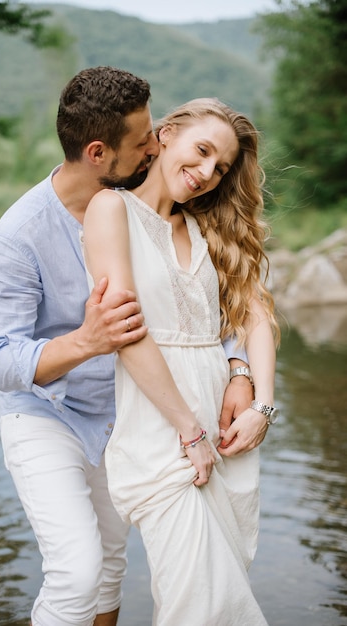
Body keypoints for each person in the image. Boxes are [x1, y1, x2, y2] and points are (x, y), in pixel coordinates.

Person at [0, 66, 254, 626]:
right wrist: (85, 341)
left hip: (127, 414)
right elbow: (1, 361)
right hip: (48, 416)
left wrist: (239, 364)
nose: (156, 145)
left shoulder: (152, 190)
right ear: (98, 152)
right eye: (144, 139)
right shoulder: (19, 235)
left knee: (108, 568)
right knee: (76, 575)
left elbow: (197, 298)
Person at [83, 97, 280, 625]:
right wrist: (187, 431)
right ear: (166, 133)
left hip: (224, 431)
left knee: (220, 591)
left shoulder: (209, 227)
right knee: (203, 603)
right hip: (162, 432)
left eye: (221, 167)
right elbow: (127, 332)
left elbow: (256, 316)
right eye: (202, 151)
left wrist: (262, 404)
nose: (207, 173)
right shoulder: (112, 210)